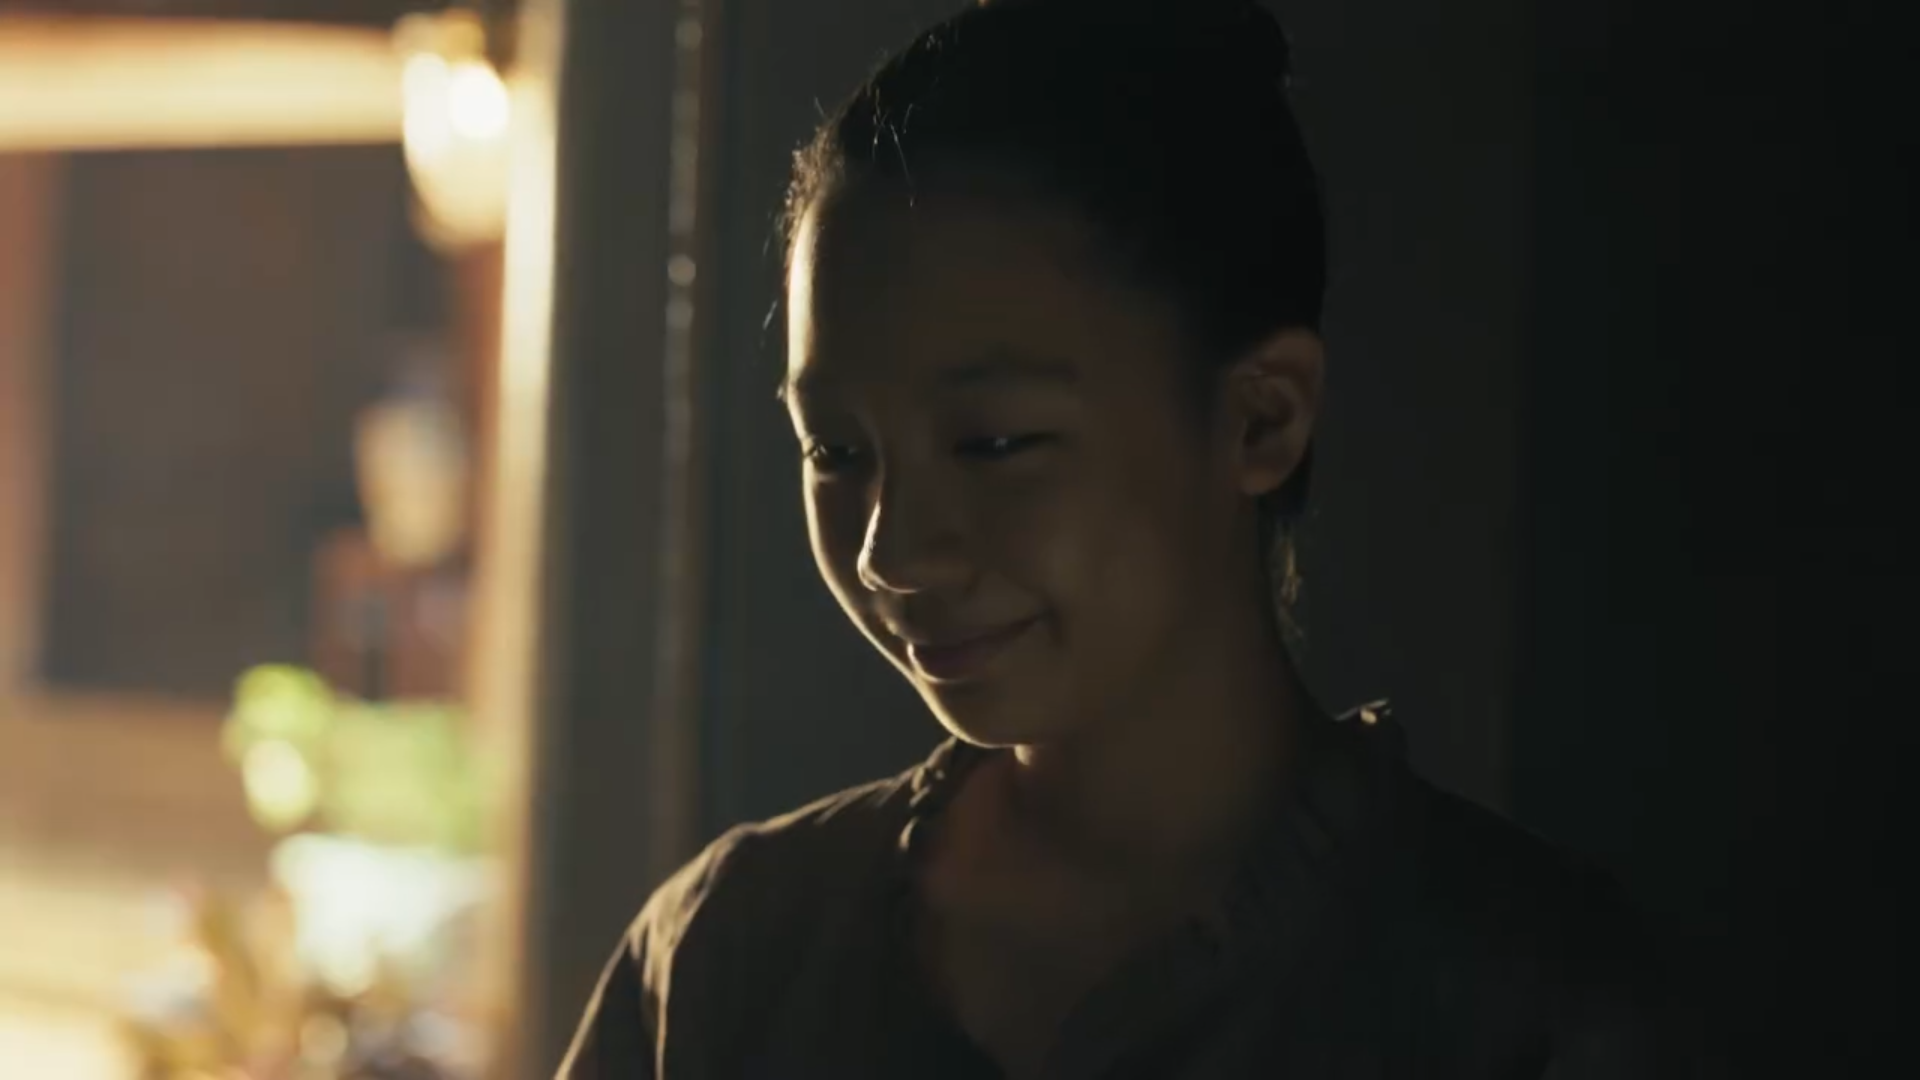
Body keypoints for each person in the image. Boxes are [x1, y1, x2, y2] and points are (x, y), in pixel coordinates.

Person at [561, 0, 1703, 1075]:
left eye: (994, 443)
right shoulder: (727, 954)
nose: (890, 554)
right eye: (836, 450)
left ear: (1261, 419)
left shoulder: (1523, 1006)